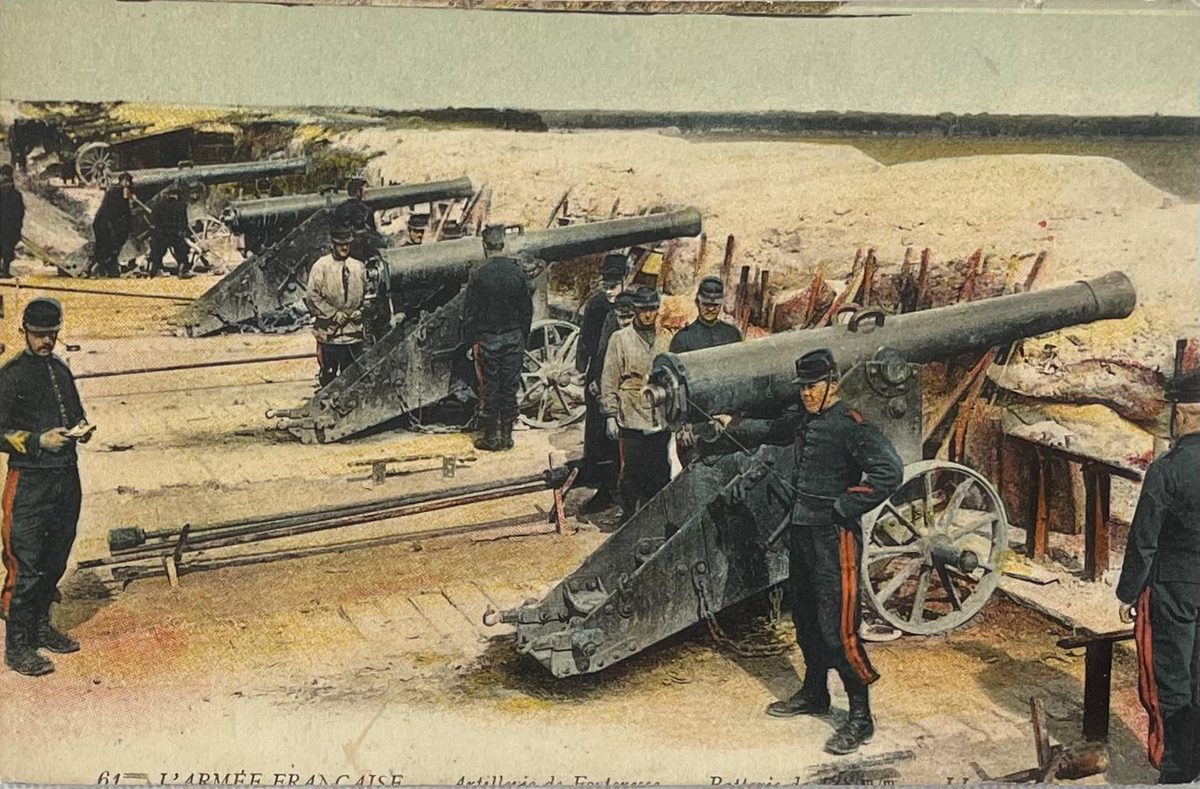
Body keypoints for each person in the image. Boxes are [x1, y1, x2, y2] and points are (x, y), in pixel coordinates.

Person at [718, 349, 903, 755]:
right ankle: (815, 693)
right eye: (802, 387)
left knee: (837, 630)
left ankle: (860, 717)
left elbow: (890, 471)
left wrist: (846, 505)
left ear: (832, 384)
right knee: (804, 620)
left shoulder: (852, 425)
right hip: (802, 533)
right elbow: (775, 430)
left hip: (834, 538)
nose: (806, 394)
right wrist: (731, 424)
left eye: (813, 386)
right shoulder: (805, 419)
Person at [1116, 369, 1200, 784]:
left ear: (1182, 415)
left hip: (1173, 587)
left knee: (1172, 678)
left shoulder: (1166, 470)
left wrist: (1128, 592)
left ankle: (1178, 771)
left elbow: (1144, 540)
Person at [0, 298, 91, 677]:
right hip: (29, 483)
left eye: (52, 334)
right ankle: (17, 645)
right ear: (24, 331)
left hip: (66, 478)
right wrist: (38, 441)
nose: (46, 341)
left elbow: (76, 413)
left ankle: (40, 627)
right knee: (25, 565)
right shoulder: (11, 376)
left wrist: (82, 429)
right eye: (39, 334)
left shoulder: (60, 370)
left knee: (55, 558)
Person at [601, 285, 673, 521]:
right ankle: (630, 516)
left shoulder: (666, 339)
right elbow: (609, 378)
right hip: (631, 412)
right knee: (632, 471)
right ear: (635, 309)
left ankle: (656, 519)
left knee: (660, 469)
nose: (648, 314)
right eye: (643, 309)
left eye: (652, 309)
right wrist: (610, 416)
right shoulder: (620, 339)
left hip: (659, 414)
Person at [462, 224, 534, 452]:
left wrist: (469, 341)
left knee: (490, 389)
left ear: (485, 246)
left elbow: (470, 313)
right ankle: (507, 437)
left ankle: (491, 437)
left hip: (488, 339)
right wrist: (522, 337)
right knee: (509, 389)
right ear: (504, 244)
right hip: (513, 338)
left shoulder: (478, 274)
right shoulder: (517, 272)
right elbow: (527, 310)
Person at [575, 253, 627, 512]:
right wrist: (585, 371)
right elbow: (586, 339)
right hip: (597, 374)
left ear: (625, 279)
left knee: (618, 436)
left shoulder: (631, 307)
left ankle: (616, 489)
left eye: (614, 285)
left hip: (621, 377)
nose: (609, 290)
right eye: (606, 285)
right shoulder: (596, 305)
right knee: (596, 431)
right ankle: (599, 479)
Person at [305, 225, 369, 388]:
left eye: (347, 244)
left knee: (353, 376)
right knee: (329, 376)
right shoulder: (321, 266)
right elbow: (312, 297)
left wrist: (361, 311)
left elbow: (369, 294)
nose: (344, 247)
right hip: (330, 335)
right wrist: (333, 314)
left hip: (353, 334)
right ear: (332, 244)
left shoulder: (359, 267)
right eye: (340, 244)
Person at [670, 275, 742, 354]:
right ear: (697, 303)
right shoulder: (683, 339)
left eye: (715, 305)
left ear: (721, 305)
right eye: (706, 304)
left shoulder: (732, 334)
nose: (710, 309)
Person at [91, 171, 134, 278]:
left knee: (106, 247)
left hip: (104, 222)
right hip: (106, 223)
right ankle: (106, 269)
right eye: (126, 181)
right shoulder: (119, 192)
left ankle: (106, 269)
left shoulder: (114, 191)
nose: (127, 184)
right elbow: (123, 209)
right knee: (109, 247)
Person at [146, 183, 192, 278]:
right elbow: (184, 222)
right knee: (182, 250)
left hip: (160, 233)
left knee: (157, 252)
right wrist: (184, 232)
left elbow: (153, 221)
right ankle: (182, 270)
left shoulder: (158, 205)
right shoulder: (181, 206)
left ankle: (153, 270)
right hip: (175, 234)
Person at [333, 176, 382, 262]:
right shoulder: (366, 210)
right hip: (361, 251)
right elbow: (373, 231)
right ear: (358, 192)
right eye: (363, 190)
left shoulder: (339, 209)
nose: (365, 193)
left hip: (343, 249)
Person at [0, 163, 25, 279]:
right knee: (8, 249)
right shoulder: (16, 193)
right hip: (11, 226)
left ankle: (3, 270)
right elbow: (20, 212)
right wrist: (18, 226)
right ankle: (5, 271)